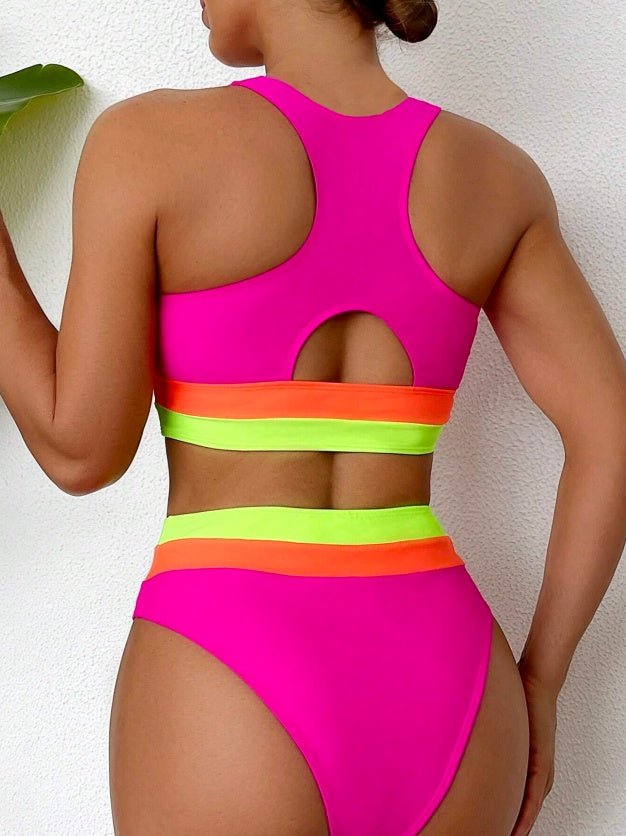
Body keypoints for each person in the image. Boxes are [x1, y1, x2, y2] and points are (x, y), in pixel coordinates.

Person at [1, 1, 625, 834]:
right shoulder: (494, 176)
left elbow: (80, 451)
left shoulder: (147, 144)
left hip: (230, 675)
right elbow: (611, 436)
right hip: (455, 693)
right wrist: (541, 684)